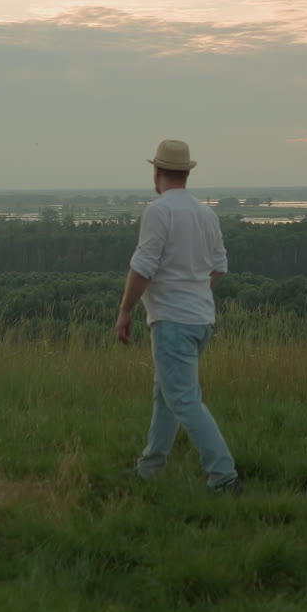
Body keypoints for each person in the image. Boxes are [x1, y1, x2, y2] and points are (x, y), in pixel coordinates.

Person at [116, 139, 242, 493]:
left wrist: (125, 311)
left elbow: (142, 267)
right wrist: (193, 290)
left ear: (156, 172)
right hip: (201, 320)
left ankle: (224, 476)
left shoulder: (159, 211)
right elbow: (219, 267)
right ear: (186, 173)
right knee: (167, 394)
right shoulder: (206, 213)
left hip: (172, 322)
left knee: (183, 399)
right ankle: (150, 468)